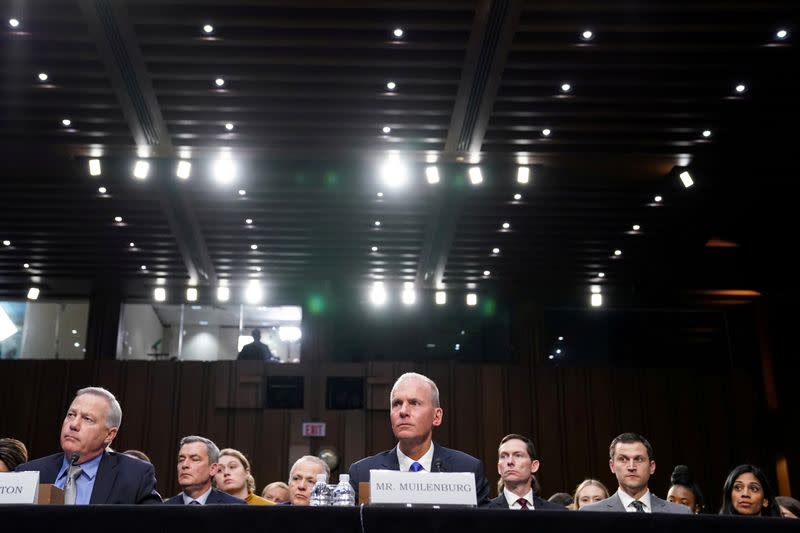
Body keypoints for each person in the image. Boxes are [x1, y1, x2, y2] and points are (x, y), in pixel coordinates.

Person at [348, 372, 490, 506]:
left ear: (437, 416)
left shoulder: (467, 470)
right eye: (397, 403)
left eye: (414, 403)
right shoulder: (362, 473)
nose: (403, 411)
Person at [15, 386, 161, 504]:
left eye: (87, 419)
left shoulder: (134, 477)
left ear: (109, 435)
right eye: (71, 415)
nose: (73, 424)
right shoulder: (29, 473)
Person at [580, 432, 690, 514]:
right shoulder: (590, 513)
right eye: (623, 459)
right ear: (612, 466)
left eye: (639, 459)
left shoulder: (681, 513)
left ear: (652, 467)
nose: (631, 467)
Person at [486, 433, 566, 510]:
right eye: (504, 456)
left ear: (534, 466)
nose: (510, 461)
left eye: (518, 455)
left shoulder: (559, 512)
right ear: (499, 467)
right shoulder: (485, 511)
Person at [164, 436, 245, 505]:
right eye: (181, 460)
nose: (184, 465)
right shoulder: (163, 509)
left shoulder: (236, 507)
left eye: (194, 459)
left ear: (213, 469)